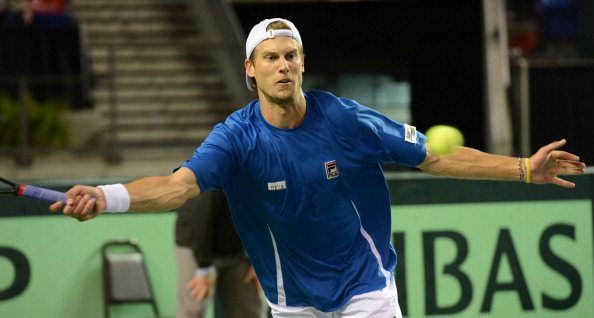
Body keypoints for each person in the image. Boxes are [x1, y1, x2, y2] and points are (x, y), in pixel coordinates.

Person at [51, 18, 586, 318]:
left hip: (365, 289)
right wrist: (107, 196)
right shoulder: (235, 139)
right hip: (291, 302)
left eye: (291, 55)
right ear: (250, 70)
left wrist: (522, 168)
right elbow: (176, 187)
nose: (283, 65)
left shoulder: (347, 119)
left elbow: (435, 156)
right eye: (271, 57)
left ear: (302, 62)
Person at [175, 189, 264, 318]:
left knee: (249, 310)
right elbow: (201, 219)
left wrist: (258, 260)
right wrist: (203, 267)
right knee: (193, 308)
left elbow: (263, 219)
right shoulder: (217, 176)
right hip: (195, 243)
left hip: (235, 249)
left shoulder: (266, 179)